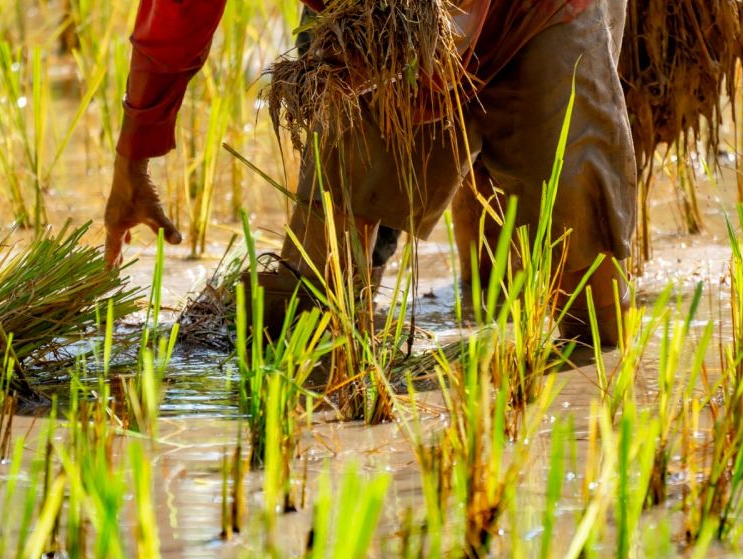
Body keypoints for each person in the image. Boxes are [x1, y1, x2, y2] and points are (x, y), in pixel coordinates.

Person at [105, 0, 636, 345]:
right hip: (366, 25)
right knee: (321, 283)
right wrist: (134, 157)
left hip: (542, 10)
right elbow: (177, 14)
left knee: (579, 237)